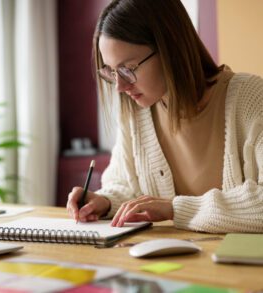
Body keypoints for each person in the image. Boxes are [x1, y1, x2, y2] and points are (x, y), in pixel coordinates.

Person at [66, 0, 263, 233]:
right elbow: (124, 184)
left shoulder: (251, 98)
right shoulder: (137, 111)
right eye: (111, 71)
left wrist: (175, 208)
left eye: (128, 68)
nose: (119, 86)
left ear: (171, 47)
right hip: (167, 264)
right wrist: (105, 200)